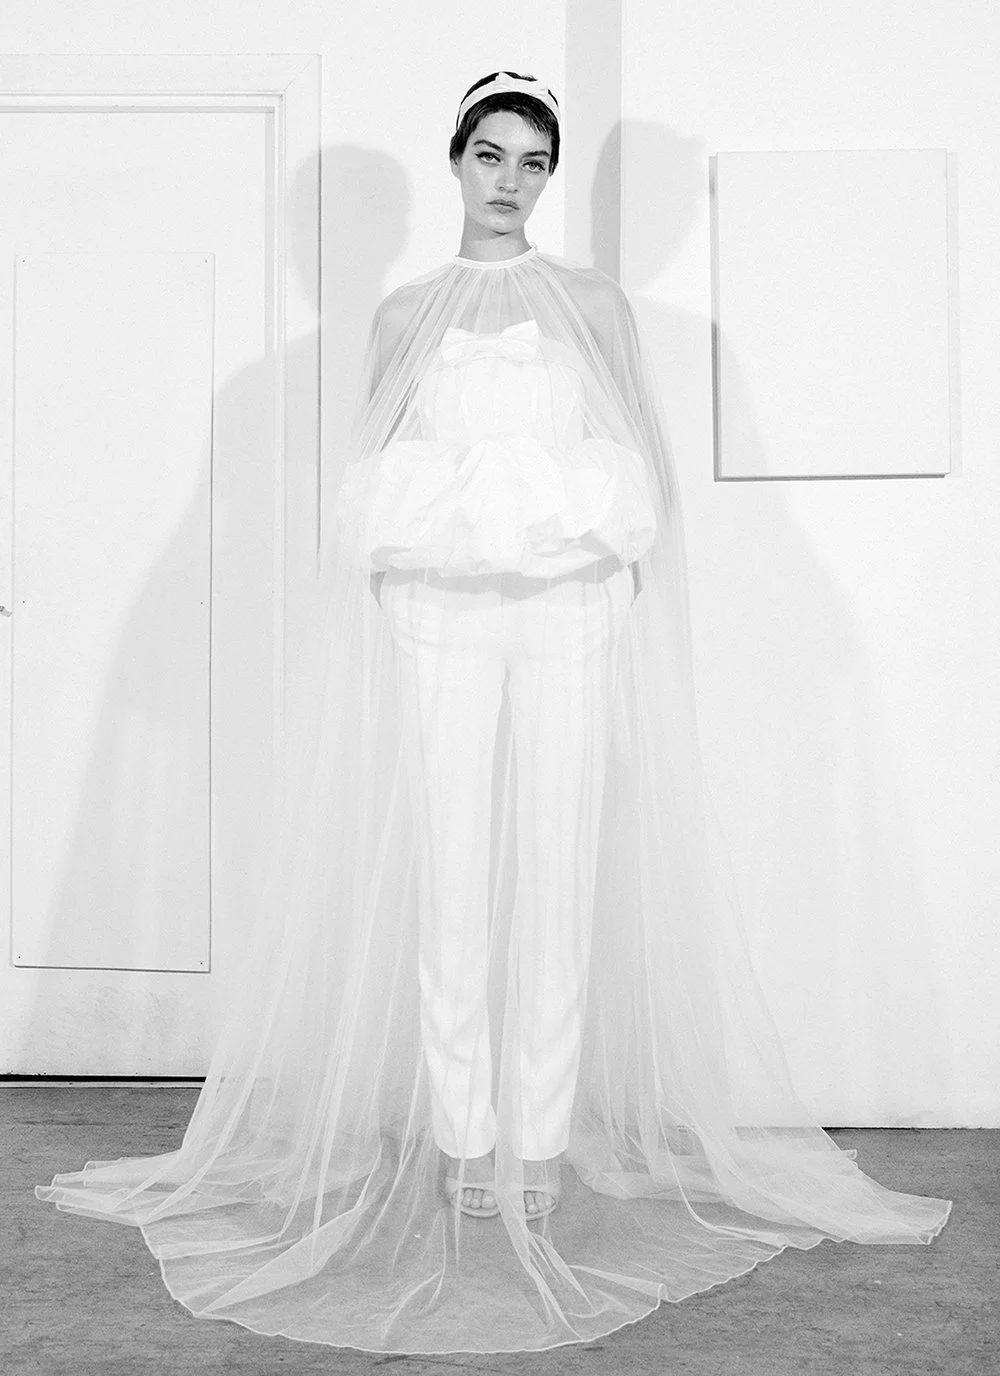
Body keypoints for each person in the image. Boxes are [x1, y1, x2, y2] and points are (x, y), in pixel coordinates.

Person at [36, 71, 952, 1355]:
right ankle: (468, 1135)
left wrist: (594, 547)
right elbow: (369, 470)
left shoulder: (590, 304)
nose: (510, 180)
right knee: (454, 874)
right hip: (437, 612)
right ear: (455, 159)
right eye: (490, 154)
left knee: (557, 872)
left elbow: (639, 464)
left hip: (569, 604)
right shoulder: (405, 312)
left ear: (547, 176)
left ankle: (539, 1135)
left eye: (532, 161)